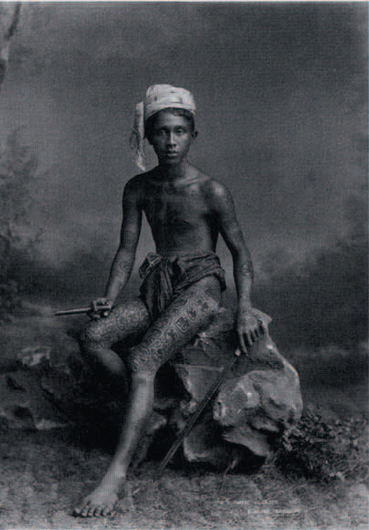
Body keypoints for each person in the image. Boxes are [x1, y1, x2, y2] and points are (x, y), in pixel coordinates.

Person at [73, 84, 260, 517]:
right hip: (159, 284)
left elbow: (241, 254)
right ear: (149, 136)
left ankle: (115, 477)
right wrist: (108, 297)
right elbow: (126, 250)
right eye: (161, 132)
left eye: (179, 131)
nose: (171, 141)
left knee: (142, 360)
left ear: (194, 134)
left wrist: (246, 307)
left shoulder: (211, 190)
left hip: (201, 286)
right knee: (94, 337)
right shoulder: (138, 188)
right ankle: (149, 414)